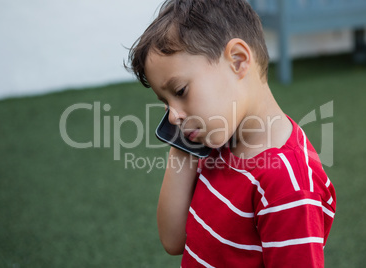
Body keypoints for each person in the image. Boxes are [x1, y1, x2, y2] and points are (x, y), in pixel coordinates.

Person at [127, 0, 336, 267]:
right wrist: (183, 140)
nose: (172, 116)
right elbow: (173, 239)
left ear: (237, 60)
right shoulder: (217, 138)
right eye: (166, 103)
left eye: (180, 91)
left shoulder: (288, 185)